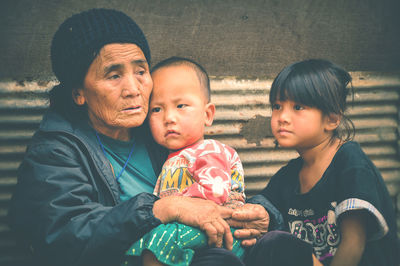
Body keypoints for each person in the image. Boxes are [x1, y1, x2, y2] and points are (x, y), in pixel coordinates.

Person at [8, 8, 278, 266]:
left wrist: (263, 212)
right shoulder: (55, 151)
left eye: (140, 71)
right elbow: (61, 236)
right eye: (114, 75)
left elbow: (217, 180)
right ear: (79, 92)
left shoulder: (160, 130)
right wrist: (160, 208)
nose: (134, 89)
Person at [255, 59, 399, 265]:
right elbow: (260, 211)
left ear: (332, 119)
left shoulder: (350, 162)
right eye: (277, 106)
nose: (282, 117)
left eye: (297, 106)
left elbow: (354, 243)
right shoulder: (288, 177)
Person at [124, 57, 246, 266]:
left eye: (181, 105)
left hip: (223, 229)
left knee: (158, 242)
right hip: (194, 228)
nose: (169, 117)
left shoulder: (209, 150)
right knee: (135, 247)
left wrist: (175, 205)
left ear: (207, 114)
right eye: (157, 109)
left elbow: (216, 192)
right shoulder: (171, 159)